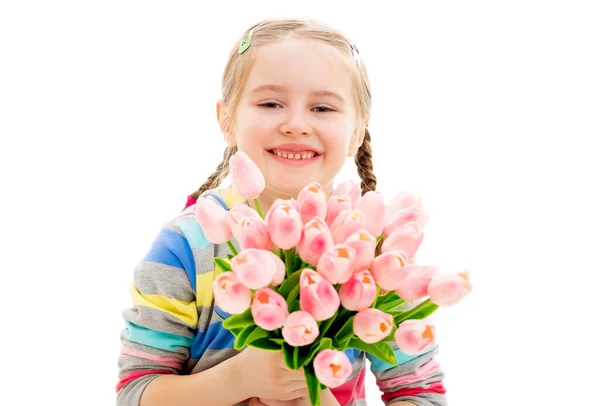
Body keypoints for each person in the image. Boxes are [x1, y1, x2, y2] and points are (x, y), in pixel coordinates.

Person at [116, 18, 447, 406]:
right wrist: (237, 379)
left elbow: (421, 394)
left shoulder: (375, 256)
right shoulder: (187, 247)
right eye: (270, 103)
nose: (295, 124)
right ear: (226, 118)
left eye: (322, 107)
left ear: (358, 131)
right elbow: (135, 393)